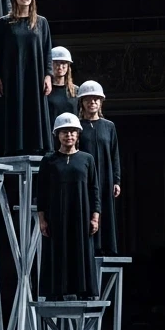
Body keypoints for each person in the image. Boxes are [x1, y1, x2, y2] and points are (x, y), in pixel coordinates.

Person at [37, 113, 100, 299]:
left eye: (72, 131)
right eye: (64, 132)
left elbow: (94, 189)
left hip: (81, 213)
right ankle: (56, 291)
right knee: (56, 250)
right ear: (57, 135)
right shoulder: (48, 161)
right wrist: (42, 219)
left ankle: (83, 291)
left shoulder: (87, 159)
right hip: (56, 214)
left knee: (81, 250)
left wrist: (95, 217)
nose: (69, 135)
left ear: (78, 134)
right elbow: (41, 193)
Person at [0, 0, 53, 156]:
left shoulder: (41, 22)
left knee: (34, 109)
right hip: (11, 76)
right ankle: (12, 148)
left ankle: (35, 147)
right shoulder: (4, 23)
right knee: (13, 108)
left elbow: (47, 50)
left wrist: (48, 75)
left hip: (34, 76)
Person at [76, 80, 122, 255]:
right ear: (82, 102)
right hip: (86, 176)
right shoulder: (78, 127)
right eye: (88, 99)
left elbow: (114, 154)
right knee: (87, 207)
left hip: (105, 175)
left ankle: (106, 247)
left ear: (101, 102)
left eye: (96, 99)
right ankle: (89, 246)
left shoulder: (109, 126)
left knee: (106, 208)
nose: (92, 102)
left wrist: (117, 180)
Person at [46, 46, 77, 126]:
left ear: (68, 66)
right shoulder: (45, 90)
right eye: (56, 63)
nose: (60, 67)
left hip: (71, 135)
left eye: (63, 63)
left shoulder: (76, 91)